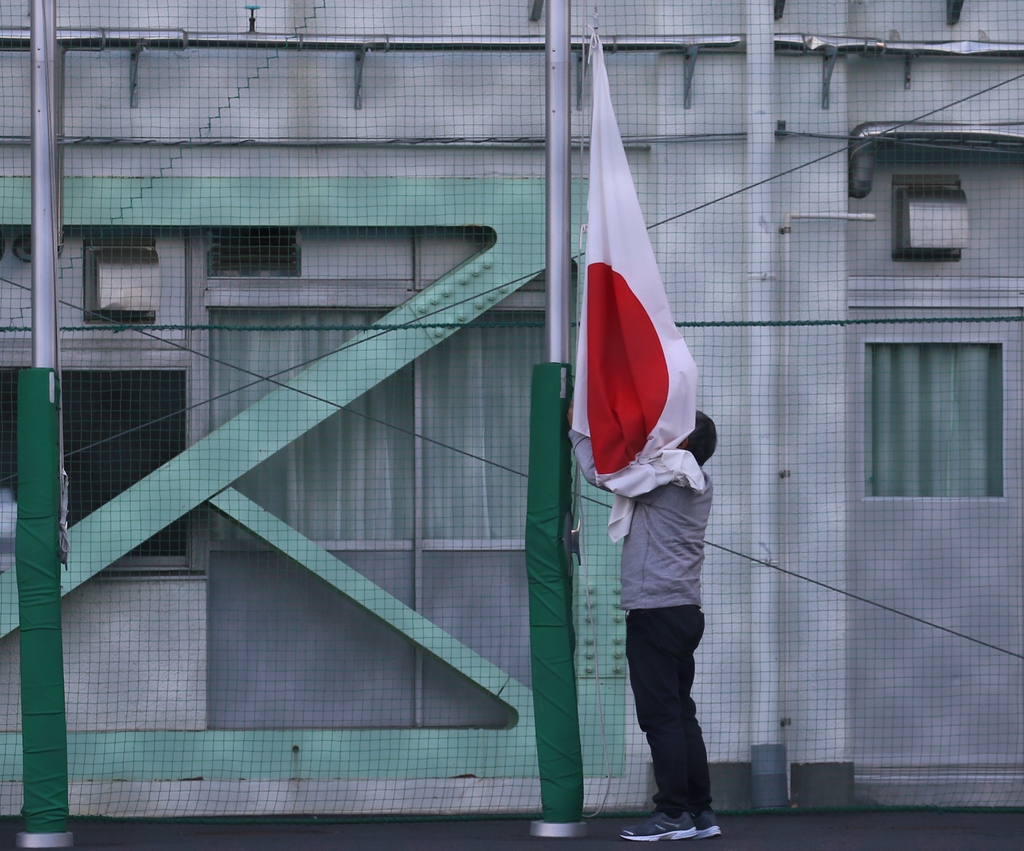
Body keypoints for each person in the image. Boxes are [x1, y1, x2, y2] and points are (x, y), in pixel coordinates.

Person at [569, 407, 720, 841]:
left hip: (656, 613)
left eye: (669, 431)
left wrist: (579, 431)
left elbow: (605, 474)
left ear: (684, 444)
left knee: (661, 718)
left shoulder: (668, 480)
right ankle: (699, 811)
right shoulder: (694, 481)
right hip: (683, 613)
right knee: (680, 714)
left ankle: (672, 814)